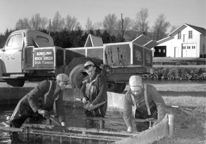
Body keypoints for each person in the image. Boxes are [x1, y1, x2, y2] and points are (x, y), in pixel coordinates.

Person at [8, 73, 69, 142]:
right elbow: (31, 97)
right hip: (25, 107)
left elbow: (60, 108)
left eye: (67, 84)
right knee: (14, 128)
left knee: (37, 134)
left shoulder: (59, 92)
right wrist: (39, 110)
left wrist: (63, 124)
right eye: (65, 83)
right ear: (58, 82)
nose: (66, 86)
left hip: (38, 113)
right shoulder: (46, 84)